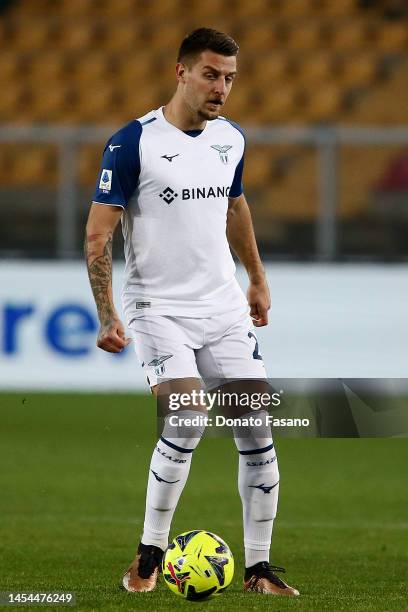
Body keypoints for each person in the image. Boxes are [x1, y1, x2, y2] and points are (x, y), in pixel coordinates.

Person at [84, 28, 299, 597]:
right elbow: (98, 235)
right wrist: (107, 314)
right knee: (187, 418)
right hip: (159, 309)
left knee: (256, 429)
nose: (221, 87)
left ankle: (258, 569)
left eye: (229, 77)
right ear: (180, 71)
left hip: (223, 307)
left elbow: (235, 205)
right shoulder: (133, 142)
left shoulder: (231, 139)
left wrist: (256, 276)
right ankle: (150, 553)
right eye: (210, 74)